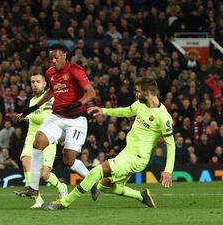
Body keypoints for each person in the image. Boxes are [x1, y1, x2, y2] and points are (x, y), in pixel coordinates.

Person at [44, 77, 176, 210]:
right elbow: (126, 111)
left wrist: (168, 170)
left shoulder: (163, 117)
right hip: (127, 152)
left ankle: (64, 202)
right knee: (104, 186)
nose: (136, 94)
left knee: (96, 172)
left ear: (147, 92)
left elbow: (171, 144)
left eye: (138, 91)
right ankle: (142, 196)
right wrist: (104, 111)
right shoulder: (141, 104)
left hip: (137, 158)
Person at [14, 44, 99, 201]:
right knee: (38, 142)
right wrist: (32, 108)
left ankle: (92, 180)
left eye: (56, 57)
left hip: (76, 120)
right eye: (51, 58)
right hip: (57, 117)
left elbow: (91, 92)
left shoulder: (75, 70)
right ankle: (33, 188)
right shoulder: (50, 73)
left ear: (65, 55)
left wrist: (79, 103)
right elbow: (51, 91)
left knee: (69, 161)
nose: (53, 60)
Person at [13, 73, 68, 208]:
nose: (35, 84)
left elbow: (47, 118)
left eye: (38, 81)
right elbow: (34, 119)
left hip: (47, 137)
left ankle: (62, 188)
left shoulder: (50, 99)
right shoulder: (32, 101)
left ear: (44, 84)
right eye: (32, 82)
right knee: (26, 162)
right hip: (32, 137)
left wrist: (27, 115)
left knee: (44, 174)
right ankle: (38, 200)